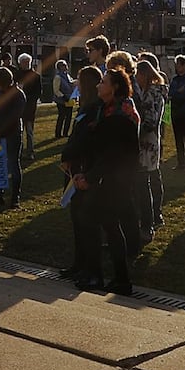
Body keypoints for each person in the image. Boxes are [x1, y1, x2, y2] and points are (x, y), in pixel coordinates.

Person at [68, 66, 140, 294]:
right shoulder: (106, 110)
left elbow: (112, 155)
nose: (99, 85)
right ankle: (115, 278)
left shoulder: (120, 114)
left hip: (113, 179)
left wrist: (90, 177)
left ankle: (98, 276)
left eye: (104, 82)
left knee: (95, 222)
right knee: (109, 226)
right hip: (105, 176)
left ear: (115, 87)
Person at [59, 65, 105, 283]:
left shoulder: (95, 109)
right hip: (74, 167)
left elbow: (85, 139)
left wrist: (70, 154)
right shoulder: (85, 107)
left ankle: (91, 268)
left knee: (88, 222)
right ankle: (79, 263)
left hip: (85, 168)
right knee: (77, 220)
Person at [132, 59, 167, 239]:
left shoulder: (151, 93)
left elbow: (150, 120)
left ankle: (148, 222)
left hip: (147, 141)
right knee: (149, 178)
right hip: (152, 140)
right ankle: (150, 218)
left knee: (144, 182)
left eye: (138, 74)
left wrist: (136, 132)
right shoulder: (154, 91)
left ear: (144, 75)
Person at [0, 66, 26, 208]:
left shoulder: (17, 95)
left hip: (12, 135)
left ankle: (15, 197)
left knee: (13, 165)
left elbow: (14, 117)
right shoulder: (1, 94)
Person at [15, 53, 42, 161]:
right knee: (18, 132)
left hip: (29, 108)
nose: (26, 64)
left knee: (29, 132)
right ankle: (19, 152)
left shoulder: (36, 76)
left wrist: (29, 99)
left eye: (27, 62)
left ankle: (30, 152)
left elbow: (38, 92)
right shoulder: (16, 75)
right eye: (23, 62)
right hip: (18, 108)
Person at [51, 59, 75, 140]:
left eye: (66, 65)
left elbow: (71, 83)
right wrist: (63, 97)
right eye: (64, 65)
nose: (66, 66)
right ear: (59, 67)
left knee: (69, 116)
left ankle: (65, 133)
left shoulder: (67, 75)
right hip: (62, 100)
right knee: (62, 116)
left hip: (70, 98)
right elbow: (56, 90)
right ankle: (58, 133)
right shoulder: (58, 77)